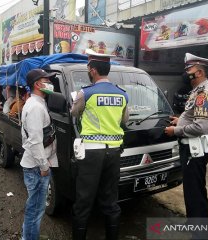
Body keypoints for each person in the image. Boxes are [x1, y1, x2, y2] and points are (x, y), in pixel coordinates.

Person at [70, 49, 129, 240]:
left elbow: (74, 113)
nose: (88, 70)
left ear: (93, 70)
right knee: (111, 202)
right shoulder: (122, 95)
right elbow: (124, 122)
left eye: (89, 67)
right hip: (113, 154)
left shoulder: (85, 93)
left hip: (91, 154)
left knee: (83, 202)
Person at [164, 53, 208, 239]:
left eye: (190, 70)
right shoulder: (197, 91)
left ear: (200, 72)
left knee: (195, 190)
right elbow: (194, 118)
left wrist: (175, 131)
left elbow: (200, 127)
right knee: (192, 187)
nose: (186, 74)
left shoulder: (203, 93)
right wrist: (179, 120)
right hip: (192, 146)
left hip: (196, 147)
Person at [20, 69, 58, 240]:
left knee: (34, 208)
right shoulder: (35, 107)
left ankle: (28, 236)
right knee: (35, 210)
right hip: (37, 167)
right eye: (46, 80)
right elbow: (35, 140)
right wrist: (43, 166)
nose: (50, 83)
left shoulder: (38, 103)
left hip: (36, 164)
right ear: (37, 84)